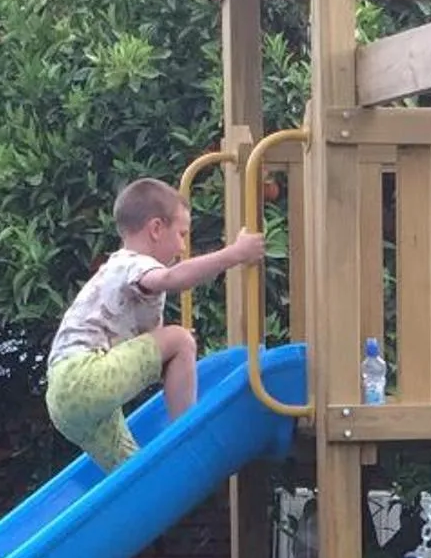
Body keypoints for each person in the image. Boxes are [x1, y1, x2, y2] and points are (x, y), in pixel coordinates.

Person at [45, 177, 267, 473]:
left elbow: (144, 348)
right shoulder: (133, 262)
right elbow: (170, 279)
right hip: (84, 375)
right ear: (156, 229)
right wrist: (235, 254)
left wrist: (173, 348)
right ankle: (187, 437)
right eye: (181, 234)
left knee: (134, 473)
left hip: (64, 401)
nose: (183, 246)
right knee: (180, 339)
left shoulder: (116, 269)